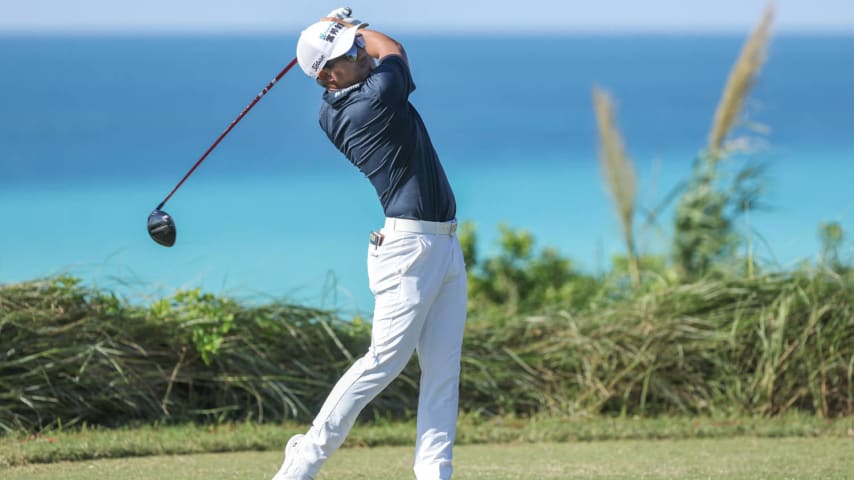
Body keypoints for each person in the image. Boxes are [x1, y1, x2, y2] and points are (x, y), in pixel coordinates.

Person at [272, 8, 468, 480]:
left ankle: (434, 473)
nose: (361, 54)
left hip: (442, 245)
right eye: (348, 53)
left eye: (356, 48)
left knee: (443, 372)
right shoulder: (370, 101)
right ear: (328, 75)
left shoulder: (339, 101)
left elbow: (375, 53)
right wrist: (352, 29)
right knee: (383, 362)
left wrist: (331, 32)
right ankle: (301, 462)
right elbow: (393, 49)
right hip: (409, 251)